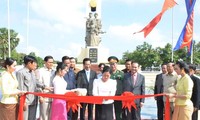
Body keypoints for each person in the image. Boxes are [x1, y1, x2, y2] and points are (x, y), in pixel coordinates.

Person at [16, 55, 53, 120]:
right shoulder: (21, 73)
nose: (35, 65)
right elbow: (20, 88)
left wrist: (45, 87)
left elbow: (36, 82)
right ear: (29, 63)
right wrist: (22, 101)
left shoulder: (32, 72)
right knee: (25, 118)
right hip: (26, 101)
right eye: (34, 63)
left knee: (32, 118)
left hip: (34, 100)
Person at [38, 55, 55, 120]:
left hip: (53, 97)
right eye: (49, 62)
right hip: (44, 97)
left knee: (51, 116)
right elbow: (39, 84)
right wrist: (40, 96)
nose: (51, 64)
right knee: (44, 116)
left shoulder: (54, 71)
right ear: (45, 62)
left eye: (52, 62)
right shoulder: (41, 71)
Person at [108, 56, 124, 120]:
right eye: (111, 64)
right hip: (109, 95)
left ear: (117, 64)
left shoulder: (121, 74)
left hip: (118, 95)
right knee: (109, 112)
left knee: (119, 112)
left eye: (114, 64)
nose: (113, 66)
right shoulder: (107, 73)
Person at [62, 56, 77, 120]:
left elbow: (74, 83)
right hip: (63, 96)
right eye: (66, 63)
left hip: (71, 96)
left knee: (70, 113)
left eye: (69, 63)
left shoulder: (72, 72)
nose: (68, 64)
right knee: (63, 113)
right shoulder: (61, 72)